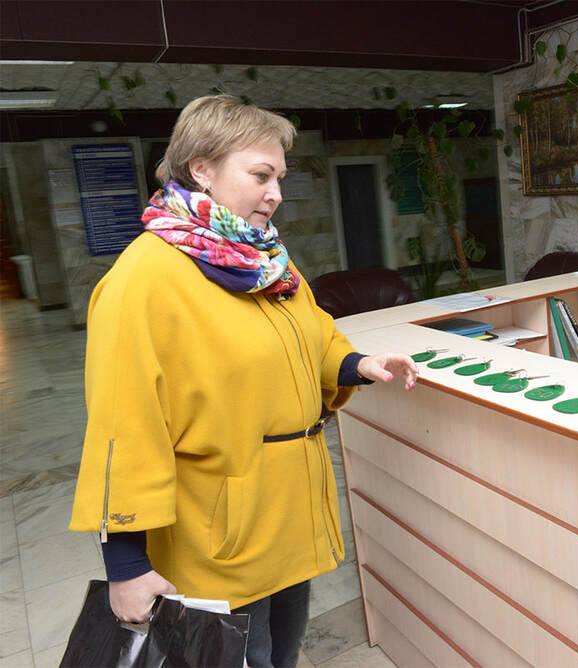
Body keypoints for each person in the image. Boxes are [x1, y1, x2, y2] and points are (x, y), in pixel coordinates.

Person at [69, 95, 418, 668]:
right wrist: (126, 566)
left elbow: (312, 334)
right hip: (219, 534)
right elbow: (121, 427)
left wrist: (356, 365)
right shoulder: (143, 278)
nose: (276, 193)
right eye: (260, 175)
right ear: (201, 169)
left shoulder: (265, 259)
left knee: (282, 655)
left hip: (290, 517)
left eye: (280, 177)